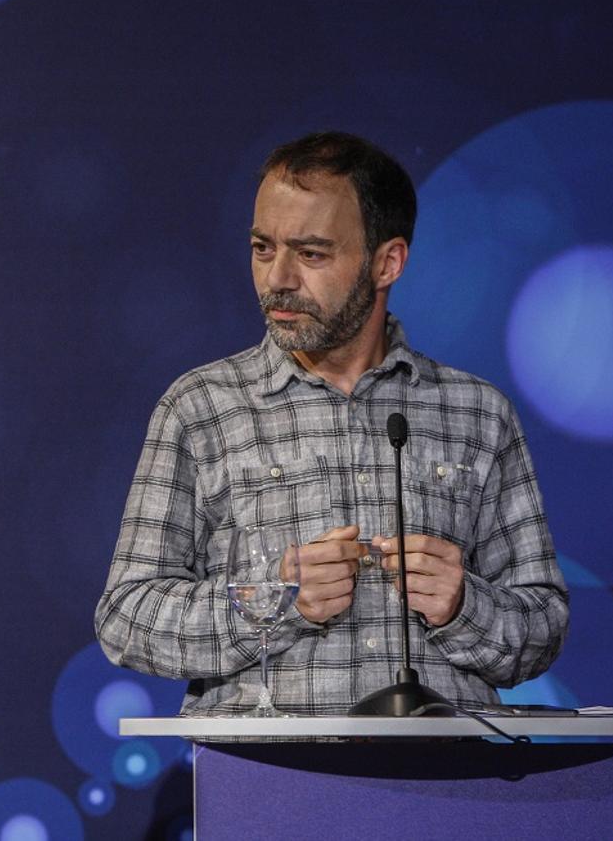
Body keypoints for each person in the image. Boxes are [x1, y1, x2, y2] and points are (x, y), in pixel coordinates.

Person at [95, 131, 568, 714]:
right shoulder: (200, 407)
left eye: (312, 253)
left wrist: (462, 605)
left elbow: (543, 628)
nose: (279, 279)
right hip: (270, 784)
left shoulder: (477, 412)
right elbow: (125, 618)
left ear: (387, 262)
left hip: (449, 787)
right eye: (263, 248)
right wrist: (272, 602)